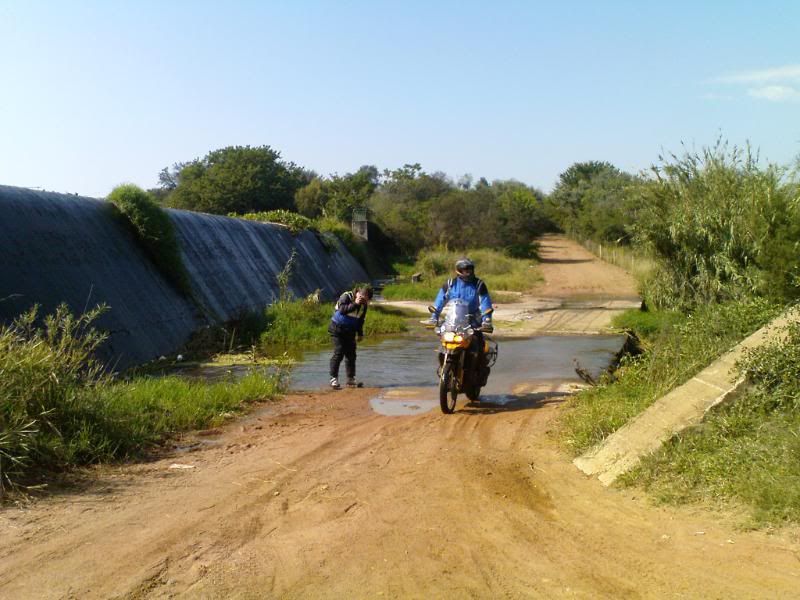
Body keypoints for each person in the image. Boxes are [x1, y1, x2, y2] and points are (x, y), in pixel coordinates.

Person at [429, 257, 493, 331]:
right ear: (459, 270)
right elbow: (440, 301)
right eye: (466, 269)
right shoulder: (450, 284)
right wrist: (434, 317)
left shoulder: (479, 284)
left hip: (473, 321)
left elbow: (485, 302)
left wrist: (486, 320)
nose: (469, 272)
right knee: (444, 337)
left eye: (470, 269)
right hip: (452, 321)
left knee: (478, 339)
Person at [328, 285, 373, 389]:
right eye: (361, 296)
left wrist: (360, 334)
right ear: (358, 293)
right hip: (337, 329)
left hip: (350, 331)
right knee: (339, 353)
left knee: (351, 355)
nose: (362, 299)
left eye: (365, 298)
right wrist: (355, 303)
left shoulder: (364, 305)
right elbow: (343, 310)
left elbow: (360, 321)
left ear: (368, 299)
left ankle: (350, 379)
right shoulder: (346, 296)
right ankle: (333, 379)